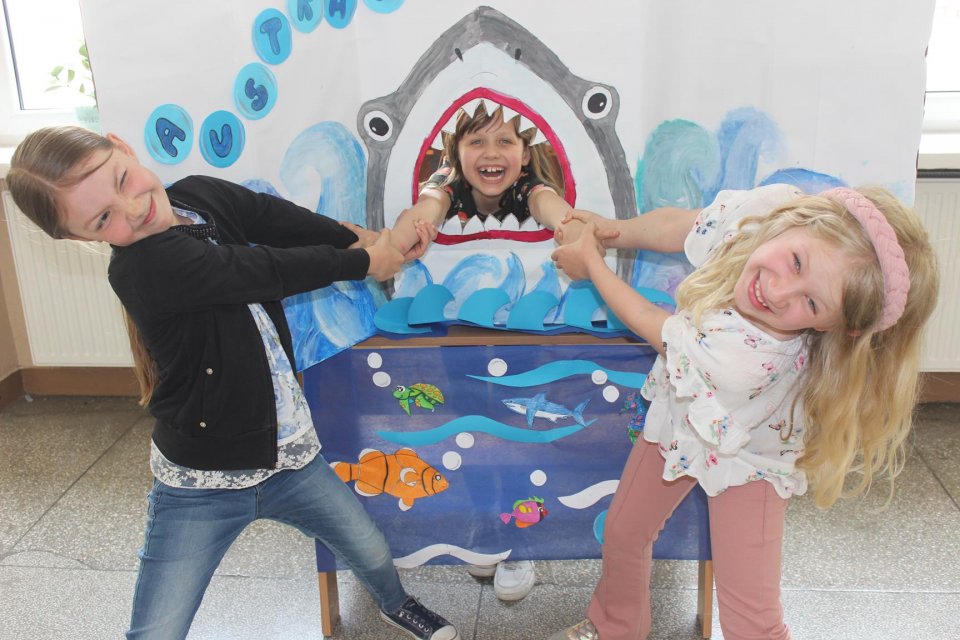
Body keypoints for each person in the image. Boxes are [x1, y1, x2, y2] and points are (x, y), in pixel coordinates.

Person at [7, 125, 459, 640]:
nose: (132, 208)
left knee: (372, 549)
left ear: (123, 147)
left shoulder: (199, 196)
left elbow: (274, 218)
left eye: (122, 179)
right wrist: (365, 260)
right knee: (157, 629)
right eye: (103, 218)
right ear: (78, 237)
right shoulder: (144, 267)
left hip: (289, 458)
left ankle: (396, 604)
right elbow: (257, 269)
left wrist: (361, 239)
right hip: (203, 483)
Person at [547, 183, 939, 639]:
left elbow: (653, 326)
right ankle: (615, 627)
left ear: (835, 328)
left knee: (750, 617)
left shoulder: (746, 360)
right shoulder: (766, 210)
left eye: (811, 303)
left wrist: (593, 265)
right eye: (796, 261)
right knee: (623, 532)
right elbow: (681, 226)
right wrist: (612, 230)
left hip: (751, 459)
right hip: (685, 417)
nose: (778, 291)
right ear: (798, 218)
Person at [391, 100, 592, 601]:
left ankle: (519, 539)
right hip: (458, 340)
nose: (491, 152)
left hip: (523, 344)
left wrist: (570, 227)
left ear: (525, 153)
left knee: (517, 434)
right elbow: (429, 204)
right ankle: (485, 524)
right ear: (455, 150)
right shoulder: (446, 182)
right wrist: (417, 224)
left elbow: (551, 207)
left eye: (505, 141)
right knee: (469, 430)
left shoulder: (529, 186)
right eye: (476, 141)